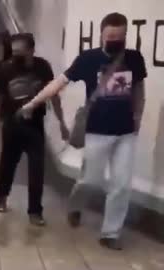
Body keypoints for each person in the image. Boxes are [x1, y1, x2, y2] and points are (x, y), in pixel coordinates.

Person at [19, 13, 147, 249]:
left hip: (125, 132)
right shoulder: (88, 59)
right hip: (97, 131)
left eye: (120, 36)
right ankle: (75, 206)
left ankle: (110, 233)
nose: (115, 40)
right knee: (90, 180)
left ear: (126, 35)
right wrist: (33, 102)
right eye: (111, 36)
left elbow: (139, 88)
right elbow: (59, 83)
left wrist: (138, 115)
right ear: (101, 34)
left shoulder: (134, 59)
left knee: (121, 184)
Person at [0, 33, 68, 226]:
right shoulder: (5, 69)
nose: (15, 54)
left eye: (20, 50)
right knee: (8, 163)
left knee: (37, 168)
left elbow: (54, 95)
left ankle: (35, 211)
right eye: (14, 50)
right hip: (12, 123)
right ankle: (2, 196)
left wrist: (61, 122)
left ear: (31, 50)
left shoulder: (43, 68)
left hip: (35, 125)